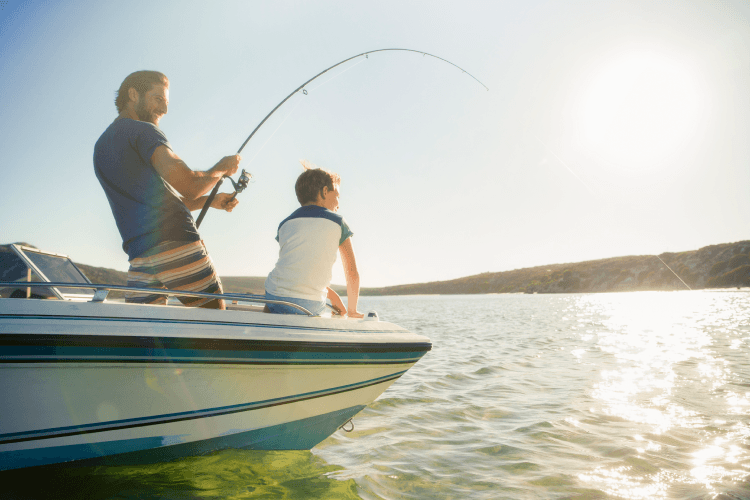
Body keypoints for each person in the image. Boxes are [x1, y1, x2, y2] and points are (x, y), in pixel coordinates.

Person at [93, 70, 240, 309]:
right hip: (175, 241)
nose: (165, 110)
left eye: (166, 102)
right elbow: (190, 186)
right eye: (158, 99)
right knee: (213, 326)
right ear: (133, 94)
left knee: (148, 337)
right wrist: (222, 168)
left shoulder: (101, 147)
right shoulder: (144, 131)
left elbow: (150, 203)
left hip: (140, 256)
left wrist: (211, 201)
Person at [264, 164, 363, 318]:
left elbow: (297, 271)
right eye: (336, 195)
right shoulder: (338, 222)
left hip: (273, 298)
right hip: (309, 304)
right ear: (324, 192)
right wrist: (352, 310)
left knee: (275, 292)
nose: (338, 202)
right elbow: (352, 272)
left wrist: (334, 297)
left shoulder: (284, 224)